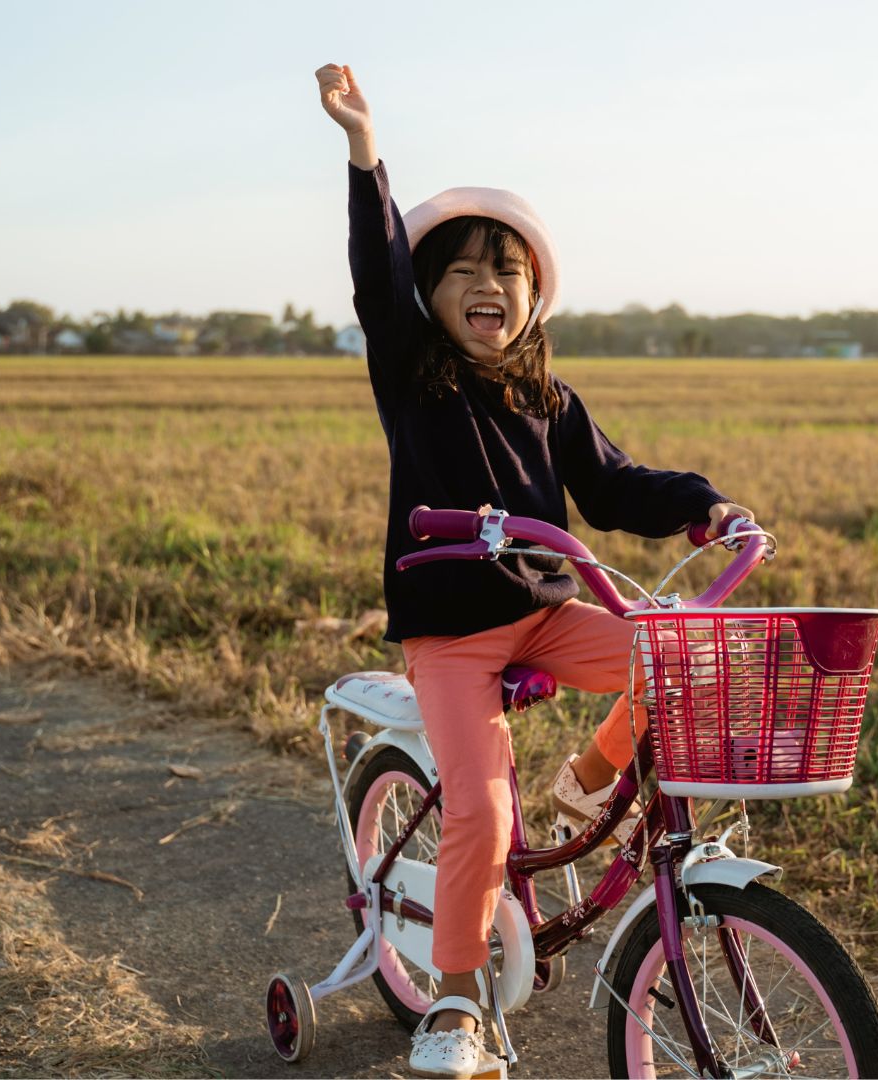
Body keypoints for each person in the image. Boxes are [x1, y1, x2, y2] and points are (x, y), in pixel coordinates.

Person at [316, 62, 762, 1077]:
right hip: (453, 633)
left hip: (548, 615)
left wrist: (705, 508)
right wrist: (362, 148)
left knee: (681, 658)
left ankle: (585, 779)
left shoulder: (546, 399)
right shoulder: (413, 375)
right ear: (429, 296)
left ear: (532, 296)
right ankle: (457, 1001)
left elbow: (613, 487)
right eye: (462, 272)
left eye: (506, 272)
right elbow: (375, 276)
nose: (487, 287)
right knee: (479, 809)